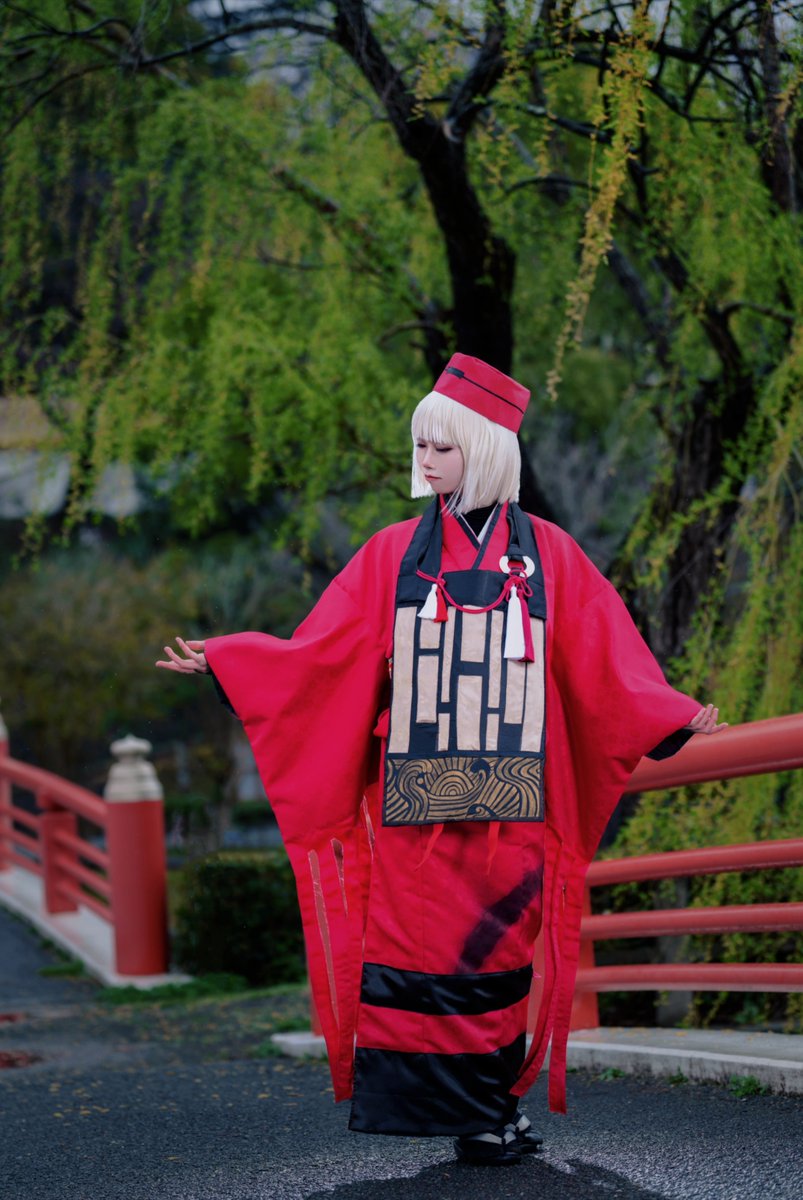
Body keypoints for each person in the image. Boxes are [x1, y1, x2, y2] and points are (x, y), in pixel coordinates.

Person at [157, 354, 725, 1166]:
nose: (423, 461)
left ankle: (491, 1110)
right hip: (414, 819)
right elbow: (321, 654)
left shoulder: (550, 557)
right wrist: (231, 661)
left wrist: (668, 713)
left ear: (486, 449)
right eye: (419, 445)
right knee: (419, 963)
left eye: (442, 447)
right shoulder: (392, 554)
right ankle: (475, 1118)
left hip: (511, 813)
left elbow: (604, 660)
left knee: (496, 965)